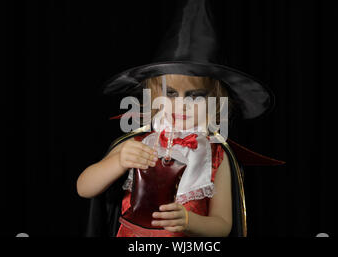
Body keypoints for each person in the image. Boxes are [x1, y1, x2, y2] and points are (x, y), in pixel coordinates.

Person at [78, 0, 285, 237]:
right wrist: (117, 162)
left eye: (195, 96)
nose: (181, 105)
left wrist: (189, 221)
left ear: (215, 102)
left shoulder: (216, 157)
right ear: (155, 95)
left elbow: (222, 225)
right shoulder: (136, 144)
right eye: (171, 94)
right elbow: (84, 188)